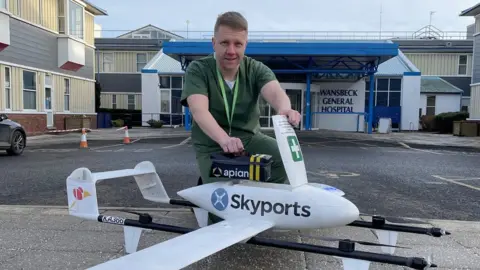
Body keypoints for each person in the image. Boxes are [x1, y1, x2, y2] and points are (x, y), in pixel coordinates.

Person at [180, 11, 301, 219]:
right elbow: (199, 110)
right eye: (224, 43)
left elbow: (275, 92)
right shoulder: (198, 70)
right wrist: (223, 139)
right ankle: (221, 225)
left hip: (249, 138)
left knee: (285, 160)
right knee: (222, 205)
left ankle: (259, 207)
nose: (231, 50)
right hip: (212, 142)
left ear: (245, 44)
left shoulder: (255, 69)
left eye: (238, 44)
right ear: (213, 43)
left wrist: (284, 109)